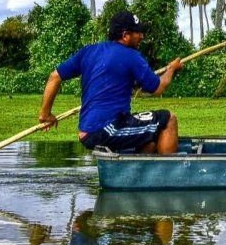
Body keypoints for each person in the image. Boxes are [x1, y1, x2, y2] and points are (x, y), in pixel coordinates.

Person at [38, 11, 184, 154]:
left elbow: (54, 77)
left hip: (86, 132)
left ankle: (138, 174)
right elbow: (158, 88)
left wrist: (45, 114)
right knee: (168, 118)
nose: (142, 36)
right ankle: (169, 175)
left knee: (150, 141)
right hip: (107, 129)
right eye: (137, 32)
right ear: (125, 35)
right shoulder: (131, 56)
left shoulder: (88, 51)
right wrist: (172, 69)